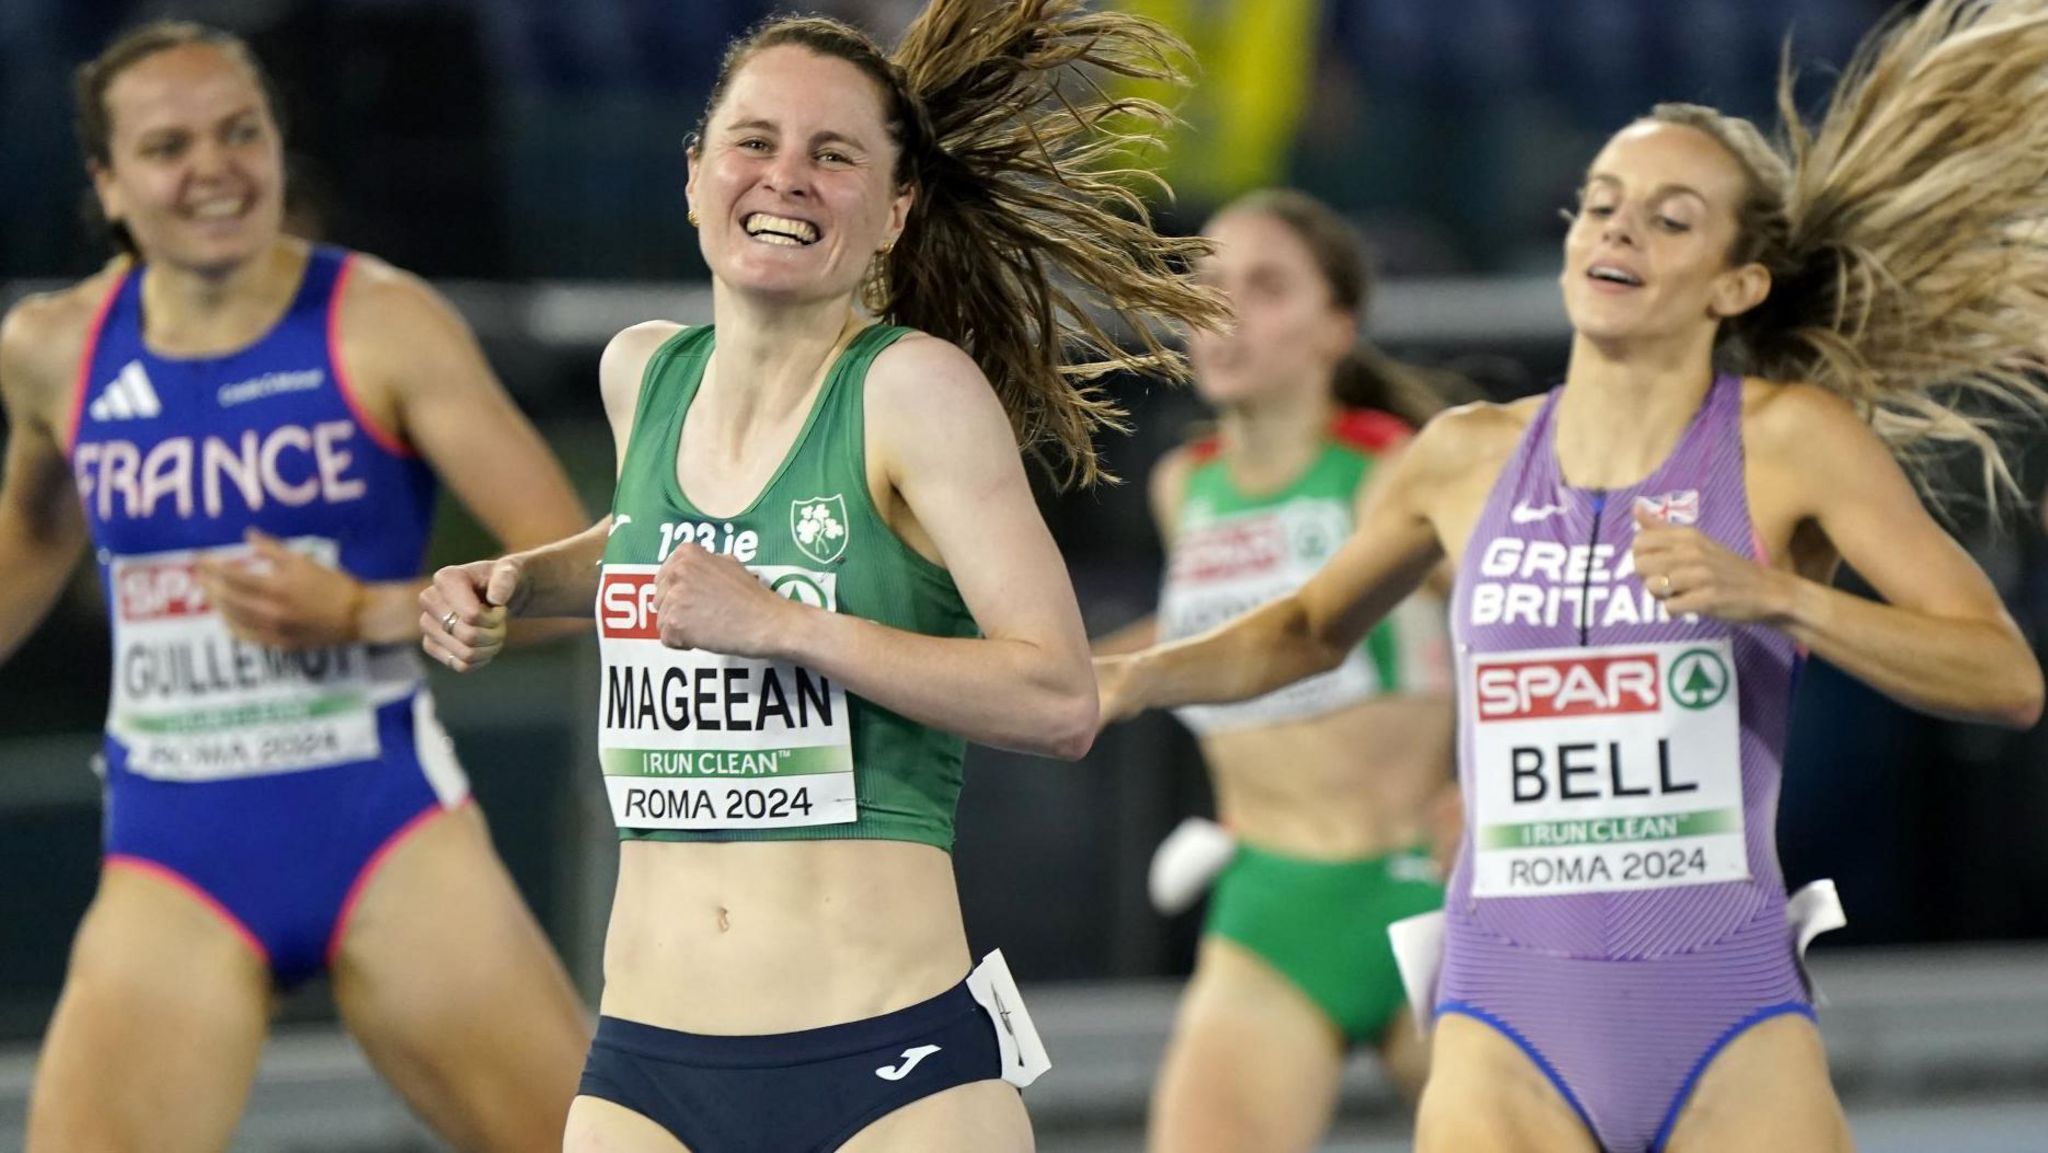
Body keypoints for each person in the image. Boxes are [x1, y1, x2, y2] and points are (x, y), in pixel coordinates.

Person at [1098, 2, 2048, 1150]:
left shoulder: (1788, 442)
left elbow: (2002, 676)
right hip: (1506, 1025)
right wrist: (1126, 680)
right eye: (1599, 203)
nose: (1616, 231)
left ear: (1735, 283)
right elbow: (1303, 626)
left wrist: (1782, 596)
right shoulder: (1458, 457)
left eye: (1667, 217)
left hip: (1725, 1020)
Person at [421, 3, 1226, 1151]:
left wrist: (786, 627)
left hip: (884, 1070)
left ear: (894, 212)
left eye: (832, 154)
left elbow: (1058, 697)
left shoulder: (913, 393)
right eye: (753, 142)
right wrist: (514, 581)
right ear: (694, 172)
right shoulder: (641, 374)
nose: (784, 177)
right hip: (645, 1066)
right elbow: (651, 541)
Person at [0, 21, 592, 1153]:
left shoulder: (383, 321)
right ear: (109, 185)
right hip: (175, 842)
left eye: (241, 132)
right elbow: (33, 532)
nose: (215, 169)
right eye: (170, 146)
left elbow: (568, 565)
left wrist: (367, 612)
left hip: (384, 824)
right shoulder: (51, 347)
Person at [1093, 188, 1455, 1152]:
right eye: (1205, 285)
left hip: (1426, 891)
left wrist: (1490, 798)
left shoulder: (1399, 473)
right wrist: (1051, 674)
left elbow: (1523, 626)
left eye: (1265, 287)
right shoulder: (1186, 485)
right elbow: (1202, 632)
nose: (1223, 311)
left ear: (1335, 327)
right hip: (1271, 909)